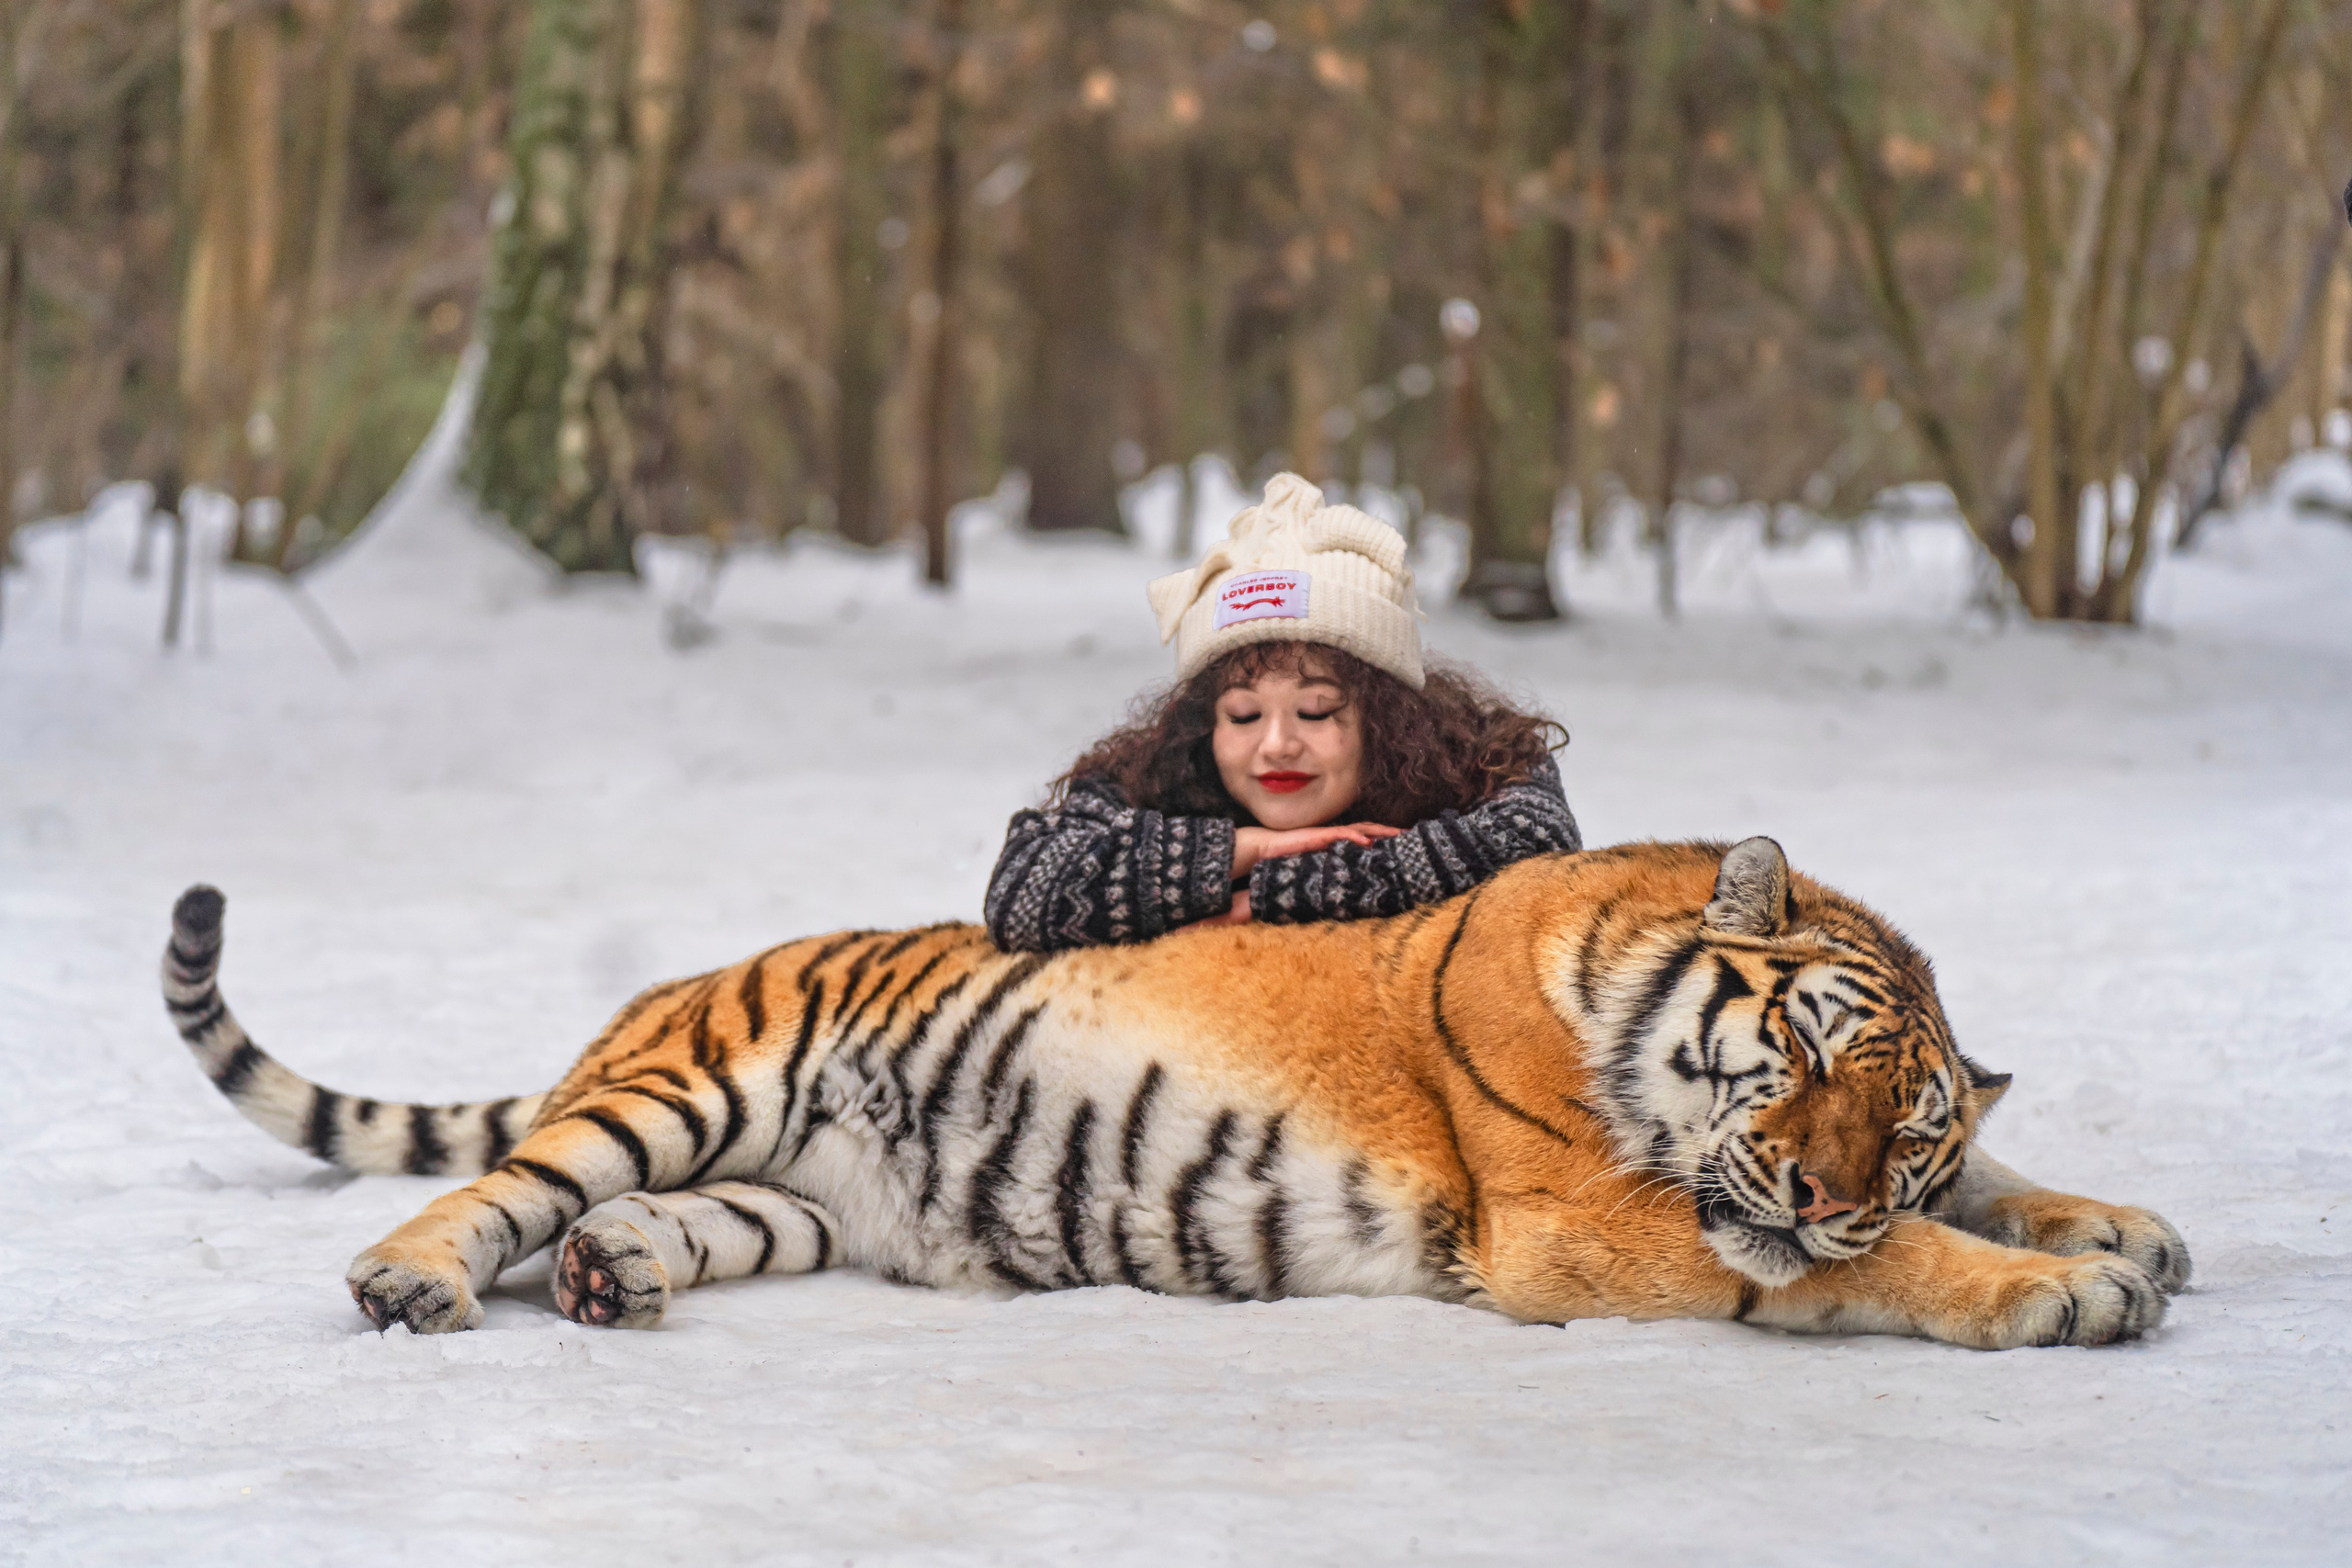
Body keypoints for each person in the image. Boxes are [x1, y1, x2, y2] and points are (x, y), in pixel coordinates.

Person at [984, 474, 1580, 953]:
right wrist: (1243, 851)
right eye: (1244, 715)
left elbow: (1542, 851)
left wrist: (1270, 896)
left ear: (1390, 720)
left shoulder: (1478, 760)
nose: (1277, 744)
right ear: (1203, 724)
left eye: (1316, 711)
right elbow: (1022, 890)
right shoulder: (1157, 775)